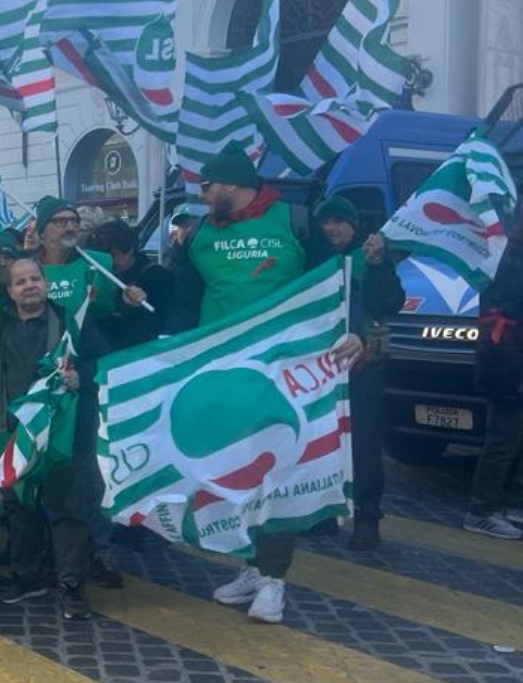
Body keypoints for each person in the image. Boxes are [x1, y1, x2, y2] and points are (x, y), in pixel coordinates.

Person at [174, 145, 358, 624]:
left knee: (278, 470)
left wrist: (353, 329)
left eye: (207, 186)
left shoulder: (295, 222)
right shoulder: (198, 235)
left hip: (284, 374)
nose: (203, 194)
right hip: (222, 377)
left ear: (231, 184)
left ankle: (275, 579)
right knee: (237, 472)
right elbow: (182, 302)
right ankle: (252, 566)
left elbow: (335, 284)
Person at [0, 257, 109, 619]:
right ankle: (26, 577)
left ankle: (72, 585)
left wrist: (84, 378)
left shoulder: (72, 325)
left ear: (45, 284)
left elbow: (106, 364)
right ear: (10, 291)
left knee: (70, 510)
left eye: (34, 279)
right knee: (19, 510)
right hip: (15, 436)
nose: (29, 285)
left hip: (66, 436)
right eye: (20, 281)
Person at [310, 196, 404, 549]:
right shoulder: (316, 260)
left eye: (339, 222)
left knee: (363, 445)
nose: (332, 229)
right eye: (326, 222)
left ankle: (367, 518)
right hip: (323, 367)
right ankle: (322, 513)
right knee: (322, 442)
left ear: (353, 225)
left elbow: (391, 301)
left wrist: (379, 265)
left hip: (363, 365)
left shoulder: (369, 258)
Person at [465, 229, 523, 540]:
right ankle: (482, 510)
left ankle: (512, 506)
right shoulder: (508, 258)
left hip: (509, 361)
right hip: (508, 366)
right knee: (503, 441)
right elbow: (505, 311)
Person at [28, 198, 119, 319]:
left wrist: (130, 302)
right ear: (42, 233)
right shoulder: (26, 269)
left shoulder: (101, 263)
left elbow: (114, 311)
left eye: (74, 221)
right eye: (61, 222)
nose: (70, 228)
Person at [87, 220, 171, 351]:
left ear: (129, 249)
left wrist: (131, 307)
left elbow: (160, 321)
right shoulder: (98, 275)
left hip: (140, 349)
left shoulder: (156, 276)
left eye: (112, 255)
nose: (108, 261)